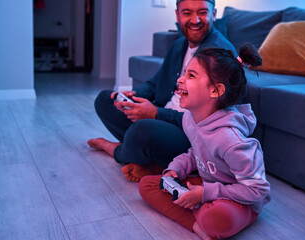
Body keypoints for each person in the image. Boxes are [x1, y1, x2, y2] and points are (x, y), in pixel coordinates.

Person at [88, 0, 237, 182]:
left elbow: (208, 120)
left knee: (142, 130)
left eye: (202, 12)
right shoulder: (178, 45)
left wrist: (155, 114)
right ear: (177, 15)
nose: (195, 20)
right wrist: (133, 96)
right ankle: (143, 153)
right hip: (162, 116)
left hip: (191, 135)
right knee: (105, 100)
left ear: (214, 14)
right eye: (187, 13)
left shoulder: (220, 54)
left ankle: (118, 150)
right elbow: (155, 83)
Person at [139, 44, 271, 240]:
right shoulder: (189, 119)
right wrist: (177, 169)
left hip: (240, 199)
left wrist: (205, 194)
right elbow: (196, 153)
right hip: (208, 184)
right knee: (147, 185)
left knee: (216, 218)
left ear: (216, 91)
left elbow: (257, 189)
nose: (180, 80)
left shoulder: (231, 140)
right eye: (185, 73)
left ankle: (201, 215)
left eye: (191, 76)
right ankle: (197, 226)